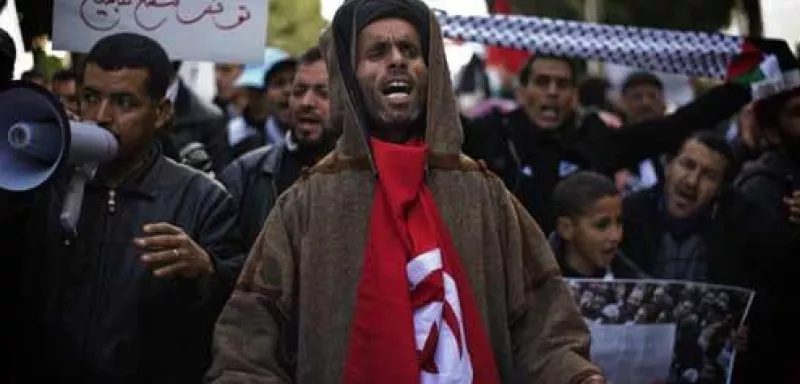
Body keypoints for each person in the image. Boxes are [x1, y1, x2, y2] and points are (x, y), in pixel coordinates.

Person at [207, 0, 604, 383]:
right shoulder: (306, 204)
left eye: (410, 50)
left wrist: (574, 374)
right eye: (377, 52)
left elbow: (543, 322)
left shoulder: (483, 196)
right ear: (349, 77)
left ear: (430, 72)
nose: (396, 59)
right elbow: (250, 339)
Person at [1, 33, 245, 383]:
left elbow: (236, 312)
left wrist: (206, 271)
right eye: (90, 97)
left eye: (123, 102)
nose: (101, 117)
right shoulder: (44, 183)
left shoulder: (203, 199)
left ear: (161, 113)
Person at [463, 53, 753, 235]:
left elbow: (673, 127)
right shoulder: (491, 134)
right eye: (542, 82)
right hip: (505, 284)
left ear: (575, 95)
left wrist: (748, 83)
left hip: (577, 290)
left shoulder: (595, 139)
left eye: (562, 85)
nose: (552, 92)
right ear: (523, 91)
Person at [219, 45, 336, 248]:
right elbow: (227, 259)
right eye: (298, 92)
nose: (306, 102)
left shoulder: (370, 175)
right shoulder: (245, 174)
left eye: (322, 93)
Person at [550, 171, 646, 279]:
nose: (616, 236)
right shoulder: (534, 283)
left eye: (619, 222)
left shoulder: (635, 282)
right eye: (601, 225)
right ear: (566, 228)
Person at [227, 49, 297, 158]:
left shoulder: (323, 145)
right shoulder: (241, 149)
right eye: (278, 84)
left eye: (295, 83)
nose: (288, 90)